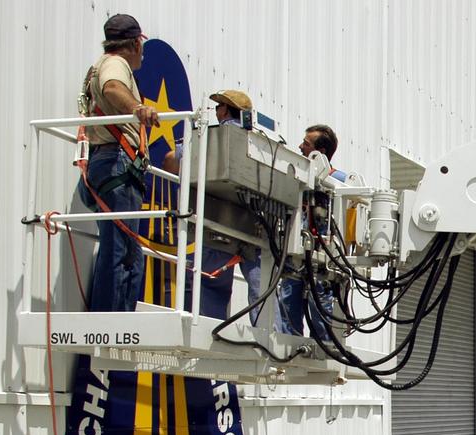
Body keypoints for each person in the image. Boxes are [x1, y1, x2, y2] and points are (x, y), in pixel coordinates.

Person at [77, 13, 159, 312]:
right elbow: (112, 88)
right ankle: (109, 329)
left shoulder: (102, 65)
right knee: (121, 251)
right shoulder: (115, 64)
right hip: (117, 164)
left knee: (126, 253)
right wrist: (138, 108)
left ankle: (115, 327)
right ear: (136, 43)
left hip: (111, 164)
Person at [167, 90, 265, 321]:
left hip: (218, 222)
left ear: (224, 110)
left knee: (209, 287)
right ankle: (268, 342)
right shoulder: (262, 145)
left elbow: (171, 161)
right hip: (256, 227)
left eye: (218, 107)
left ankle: (210, 333)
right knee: (263, 293)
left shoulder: (209, 137)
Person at [275, 125, 347, 339]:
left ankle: (323, 354)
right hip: (296, 253)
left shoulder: (338, 182)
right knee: (288, 304)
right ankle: (289, 354)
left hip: (322, 257)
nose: (300, 146)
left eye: (306, 144)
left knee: (320, 310)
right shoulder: (298, 176)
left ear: (320, 152)